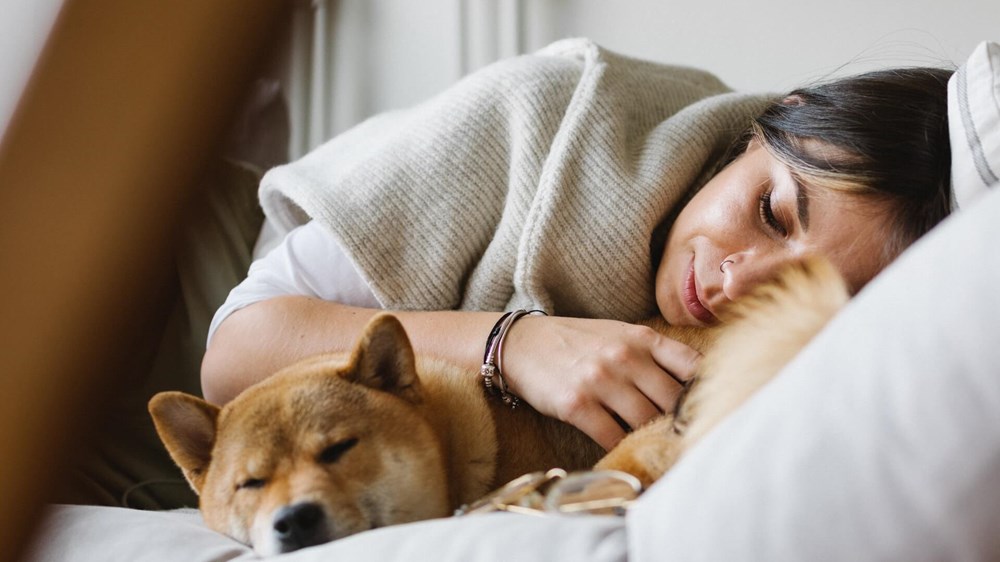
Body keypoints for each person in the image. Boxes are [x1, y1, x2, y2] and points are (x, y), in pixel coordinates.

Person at [201, 43, 952, 452]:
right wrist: (513, 344)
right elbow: (233, 357)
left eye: (799, 290)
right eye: (771, 212)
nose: (735, 283)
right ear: (775, 120)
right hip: (190, 292)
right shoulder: (547, 111)